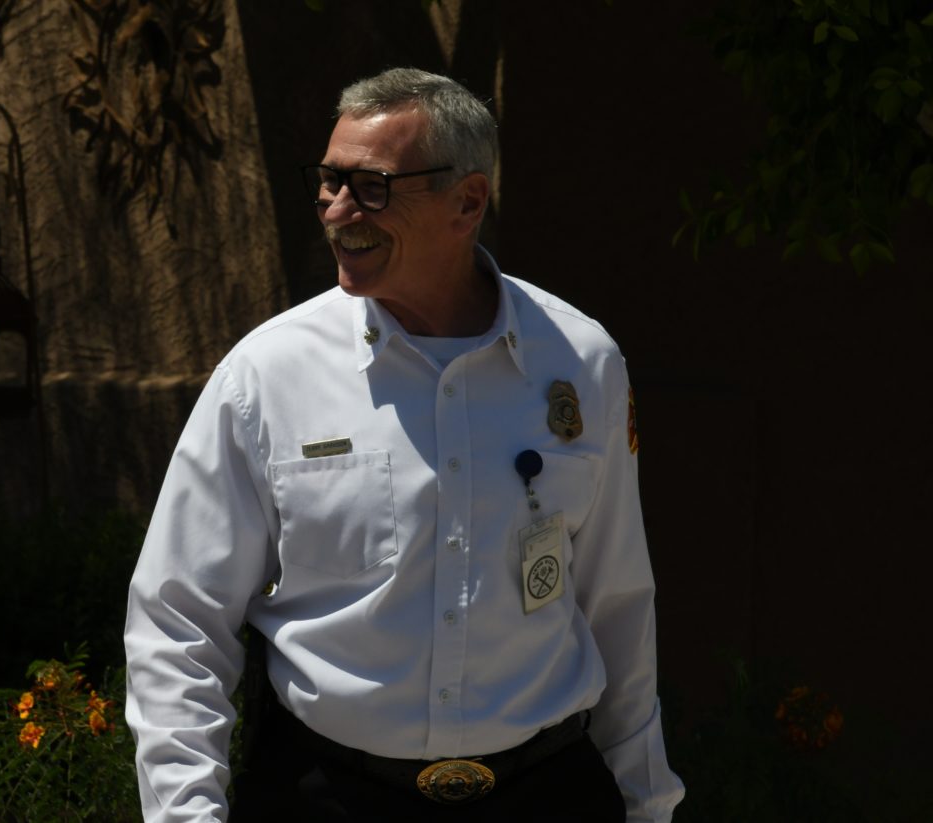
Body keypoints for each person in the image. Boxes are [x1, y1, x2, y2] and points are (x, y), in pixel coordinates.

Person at [124, 67, 685, 822]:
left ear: (468, 201)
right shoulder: (266, 375)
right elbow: (179, 617)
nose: (337, 211)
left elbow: (618, 604)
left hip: (546, 793)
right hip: (326, 796)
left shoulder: (582, 364)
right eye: (330, 181)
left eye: (372, 187)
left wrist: (646, 803)